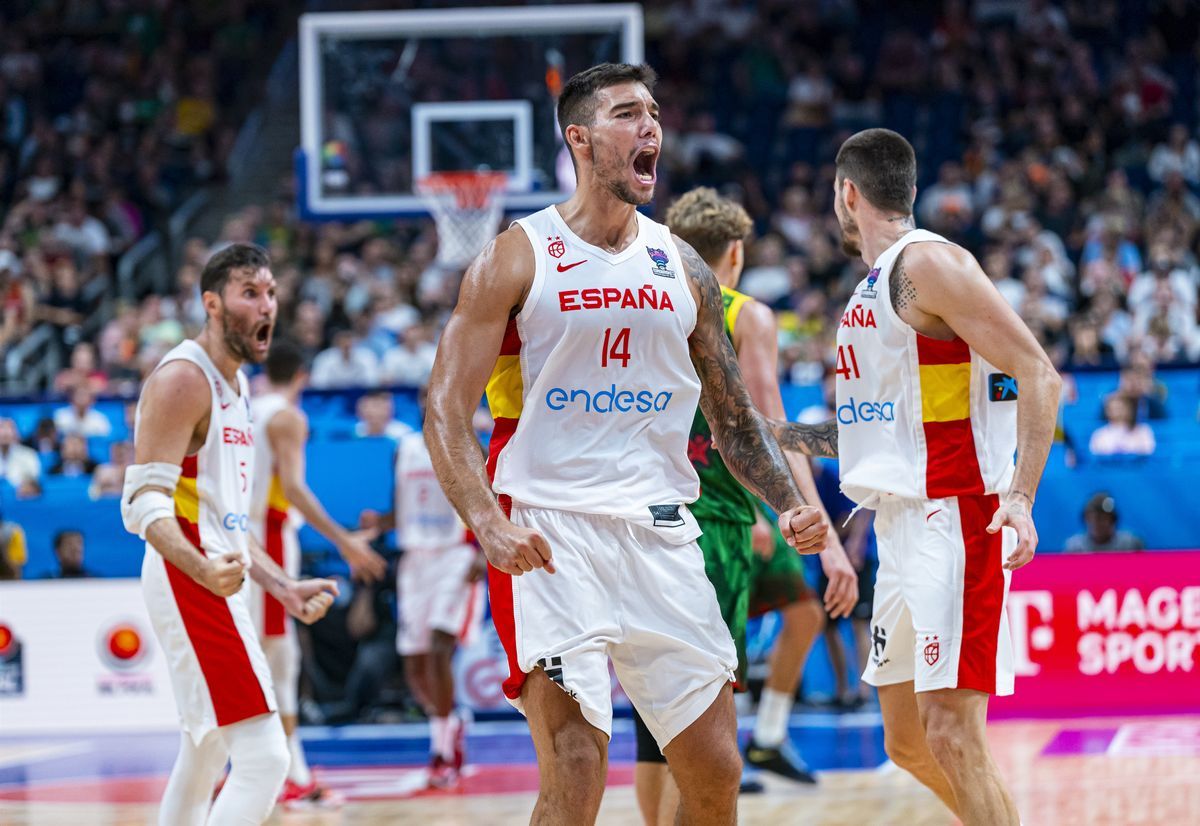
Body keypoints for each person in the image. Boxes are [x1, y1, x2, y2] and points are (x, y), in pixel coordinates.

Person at [424, 63, 828, 826]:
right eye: (627, 114)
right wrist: (487, 522)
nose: (651, 127)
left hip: (659, 531)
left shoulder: (683, 265)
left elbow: (733, 417)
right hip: (548, 529)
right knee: (577, 767)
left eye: (655, 114)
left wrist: (787, 502)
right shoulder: (518, 254)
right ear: (579, 139)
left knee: (716, 771)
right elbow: (444, 408)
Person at [771, 129, 1061, 826]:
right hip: (900, 521)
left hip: (957, 516)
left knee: (953, 732)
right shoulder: (872, 290)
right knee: (906, 742)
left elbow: (1039, 373)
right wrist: (771, 435)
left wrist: (1021, 496)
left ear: (847, 194)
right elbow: (870, 432)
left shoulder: (927, 262)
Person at [631, 187, 858, 822]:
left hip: (640, 519)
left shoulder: (643, 303)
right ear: (735, 251)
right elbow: (769, 430)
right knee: (704, 712)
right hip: (716, 522)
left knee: (656, 707)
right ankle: (758, 748)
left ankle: (763, 744)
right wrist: (822, 525)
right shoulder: (742, 313)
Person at [121, 242, 339, 826]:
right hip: (189, 576)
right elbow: (141, 503)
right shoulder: (183, 379)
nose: (266, 305)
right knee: (266, 759)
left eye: (271, 293)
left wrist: (283, 586)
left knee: (206, 749)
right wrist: (200, 569)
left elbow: (232, 524)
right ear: (212, 304)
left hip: (214, 572)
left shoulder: (238, 388)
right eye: (250, 293)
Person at [247, 337, 386, 808]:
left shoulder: (245, 409)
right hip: (266, 537)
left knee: (261, 658)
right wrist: (343, 540)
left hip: (239, 536)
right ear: (302, 377)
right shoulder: (286, 416)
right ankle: (290, 775)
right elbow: (294, 489)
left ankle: (260, 770)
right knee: (278, 660)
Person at [359, 388, 487, 788]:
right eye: (424, 396)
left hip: (455, 555)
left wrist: (484, 551)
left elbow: (491, 501)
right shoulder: (405, 447)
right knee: (414, 665)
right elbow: (403, 506)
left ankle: (442, 752)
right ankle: (450, 725)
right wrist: (381, 522)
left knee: (438, 648)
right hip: (414, 559)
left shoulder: (468, 444)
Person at [1064, 492, 1145, 552]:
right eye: (1090, 518)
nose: (1096, 523)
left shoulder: (1130, 544)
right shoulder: (1074, 547)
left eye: (1102, 518)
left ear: (1113, 520)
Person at [1089, 395, 1156, 456]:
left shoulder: (1143, 430)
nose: (1117, 412)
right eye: (1113, 408)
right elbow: (1096, 457)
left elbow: (1148, 453)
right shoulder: (1099, 434)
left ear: (1129, 409)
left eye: (1120, 408)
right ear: (1107, 411)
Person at [0, 417, 41, 497]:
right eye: (1, 428)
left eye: (9, 428)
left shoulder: (29, 455)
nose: (5, 433)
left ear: (16, 433)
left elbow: (34, 481)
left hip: (21, 498)